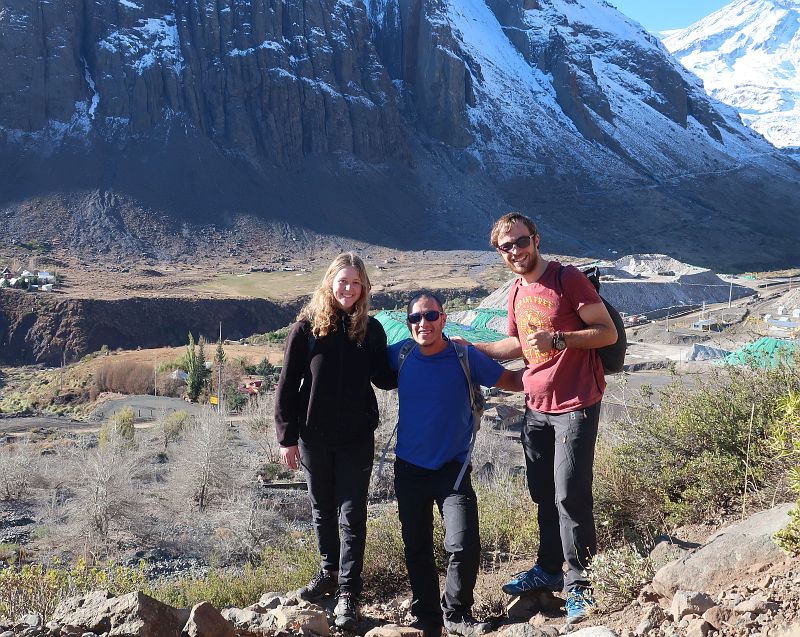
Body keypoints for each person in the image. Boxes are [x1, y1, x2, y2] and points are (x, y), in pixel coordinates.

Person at [459, 213, 617, 622]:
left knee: (570, 495)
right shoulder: (516, 291)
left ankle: (581, 584)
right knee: (543, 493)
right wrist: (469, 348)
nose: (515, 250)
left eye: (521, 241)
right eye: (506, 246)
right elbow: (516, 344)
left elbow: (606, 332)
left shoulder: (567, 279)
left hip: (575, 403)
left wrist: (558, 339)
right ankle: (548, 568)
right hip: (536, 406)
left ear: (536, 239)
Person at [387, 292, 523, 637]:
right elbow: (361, 368)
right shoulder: (401, 354)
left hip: (453, 470)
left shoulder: (464, 356)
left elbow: (510, 381)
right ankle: (427, 617)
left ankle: (457, 614)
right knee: (416, 547)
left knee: (463, 544)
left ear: (443, 319)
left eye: (430, 316)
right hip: (409, 470)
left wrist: (554, 364)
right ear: (408, 324)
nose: (423, 323)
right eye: (415, 318)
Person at [274, 252, 395, 629]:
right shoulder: (306, 328)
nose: (349, 289)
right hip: (313, 438)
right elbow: (286, 386)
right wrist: (287, 438)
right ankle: (328, 574)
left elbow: (383, 378)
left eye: (356, 283)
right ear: (330, 282)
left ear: (364, 288)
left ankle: (348, 593)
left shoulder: (370, 330)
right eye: (343, 281)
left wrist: (418, 354)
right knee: (322, 510)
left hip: (356, 438)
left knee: (352, 515)